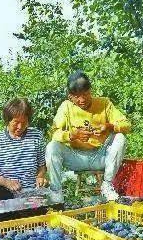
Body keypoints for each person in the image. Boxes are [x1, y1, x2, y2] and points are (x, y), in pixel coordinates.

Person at [46, 71, 131, 200]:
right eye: (77, 96)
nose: (82, 99)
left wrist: (110, 126)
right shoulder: (66, 107)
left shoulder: (104, 103)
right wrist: (72, 135)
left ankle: (107, 185)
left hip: (101, 156)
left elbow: (126, 125)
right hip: (75, 157)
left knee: (120, 138)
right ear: (70, 97)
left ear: (90, 91)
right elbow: (54, 133)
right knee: (52, 146)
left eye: (85, 94)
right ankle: (56, 193)